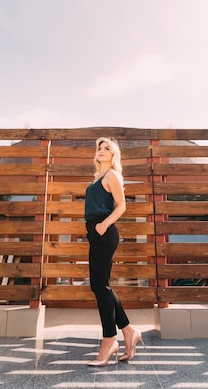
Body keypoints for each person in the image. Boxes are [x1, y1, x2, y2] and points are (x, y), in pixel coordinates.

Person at [84, 137, 144, 367]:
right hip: (96, 233)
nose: (101, 151)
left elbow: (122, 206)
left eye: (106, 148)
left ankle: (110, 340)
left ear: (113, 154)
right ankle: (128, 331)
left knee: (100, 285)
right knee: (100, 285)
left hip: (104, 232)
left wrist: (103, 225)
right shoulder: (98, 178)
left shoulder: (112, 176)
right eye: (99, 148)